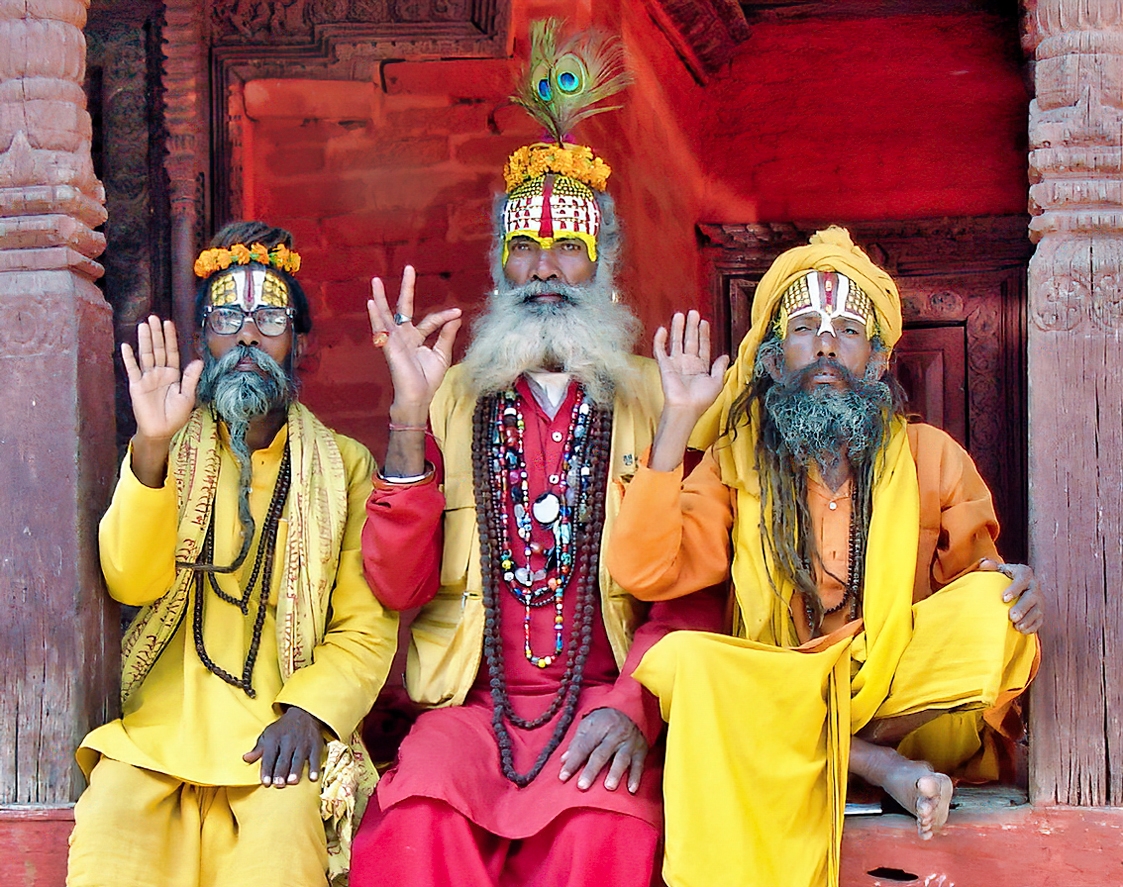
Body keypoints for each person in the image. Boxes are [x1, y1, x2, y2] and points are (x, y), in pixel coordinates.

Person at [348, 21, 724, 887]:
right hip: (473, 710)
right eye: (523, 248)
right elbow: (397, 584)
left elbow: (693, 590)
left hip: (598, 704)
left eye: (566, 247)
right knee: (416, 820)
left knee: (609, 835)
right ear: (499, 264)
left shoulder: (657, 394)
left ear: (602, 264)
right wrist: (408, 413)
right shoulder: (451, 394)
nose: (543, 267)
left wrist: (635, 705)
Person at [606, 227, 1045, 887]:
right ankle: (869, 761)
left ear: (873, 361)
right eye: (804, 325)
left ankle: (848, 748)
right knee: (687, 662)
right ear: (777, 359)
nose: (824, 343)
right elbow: (644, 570)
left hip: (894, 700)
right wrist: (676, 421)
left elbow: (975, 588)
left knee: (996, 616)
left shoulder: (932, 457)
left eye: (845, 329)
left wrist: (1014, 588)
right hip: (778, 686)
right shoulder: (736, 460)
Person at [67, 222, 398, 887]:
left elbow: (365, 625)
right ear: (204, 340)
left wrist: (309, 712)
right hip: (156, 736)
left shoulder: (343, 465)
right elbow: (129, 582)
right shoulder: (170, 451)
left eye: (269, 317)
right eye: (227, 318)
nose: (248, 336)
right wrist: (152, 448)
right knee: (106, 839)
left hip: (281, 740)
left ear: (298, 341)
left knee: (282, 853)